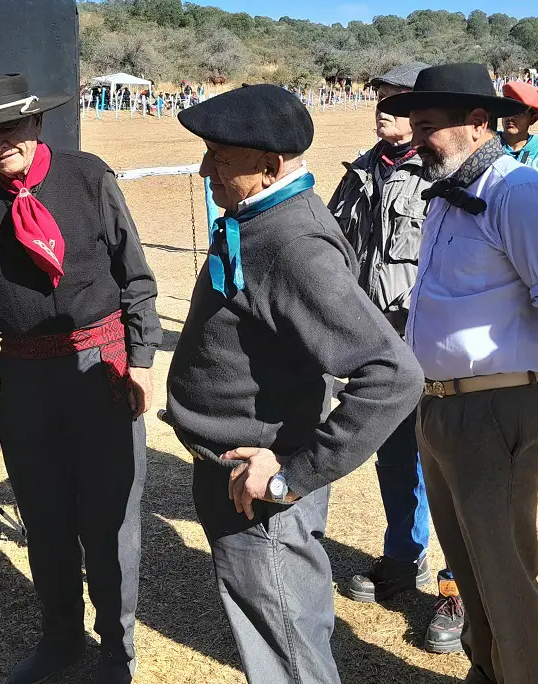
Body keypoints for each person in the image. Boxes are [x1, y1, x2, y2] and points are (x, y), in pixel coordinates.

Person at [164, 84, 425, 684]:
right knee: (276, 637)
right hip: (234, 473)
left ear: (269, 165)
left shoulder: (293, 243)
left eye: (219, 158)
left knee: (287, 649)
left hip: (259, 486)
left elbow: (392, 374)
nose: (205, 170)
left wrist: (291, 475)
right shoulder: (260, 217)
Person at [0, 73, 161, 684]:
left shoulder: (89, 177)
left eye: (9, 127)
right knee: (45, 520)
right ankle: (60, 640)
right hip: (26, 383)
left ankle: (117, 650)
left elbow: (136, 279)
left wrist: (141, 361)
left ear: (35, 122)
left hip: (101, 371)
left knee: (109, 524)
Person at [380, 63, 538, 684]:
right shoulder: (448, 190)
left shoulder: (519, 193)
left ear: (477, 123)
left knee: (504, 576)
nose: (416, 139)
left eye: (427, 127)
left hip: (495, 409)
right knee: (468, 568)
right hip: (438, 407)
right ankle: (486, 669)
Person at [327, 60, 466, 654]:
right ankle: (403, 556)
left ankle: (457, 588)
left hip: (432, 342)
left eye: (398, 99)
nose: (384, 108)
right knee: (394, 456)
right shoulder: (361, 171)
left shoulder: (448, 174)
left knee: (449, 464)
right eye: (379, 97)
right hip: (376, 344)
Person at [500, 82, 538, 183]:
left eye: (518, 113)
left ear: (532, 118)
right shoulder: (488, 143)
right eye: (506, 110)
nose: (510, 117)